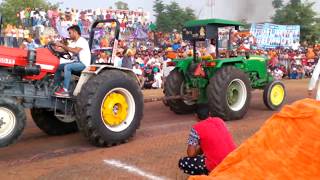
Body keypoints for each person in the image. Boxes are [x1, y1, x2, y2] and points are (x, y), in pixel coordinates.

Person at [178, 105, 236, 175]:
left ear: (196, 116)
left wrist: (200, 149)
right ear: (209, 114)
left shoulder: (196, 128)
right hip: (233, 159)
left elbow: (191, 154)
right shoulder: (219, 120)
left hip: (218, 165)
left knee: (183, 162)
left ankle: (208, 173)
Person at [54, 25, 91, 97]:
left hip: (83, 64)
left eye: (70, 33)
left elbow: (75, 51)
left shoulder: (82, 41)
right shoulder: (75, 42)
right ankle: (56, 86)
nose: (69, 35)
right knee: (58, 67)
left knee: (67, 67)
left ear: (75, 32)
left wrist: (62, 45)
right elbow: (67, 50)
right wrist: (55, 49)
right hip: (77, 63)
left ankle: (65, 90)